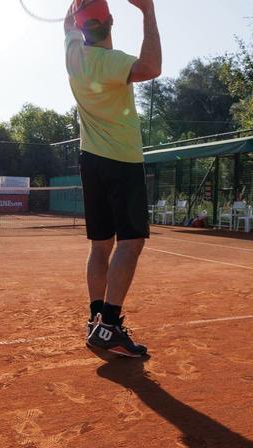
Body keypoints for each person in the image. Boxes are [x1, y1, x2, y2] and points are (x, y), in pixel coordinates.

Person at [64, 0, 161, 357]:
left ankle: (96, 320)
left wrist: (77, 6)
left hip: (91, 161)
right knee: (131, 242)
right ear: (110, 21)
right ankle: (109, 326)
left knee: (100, 245)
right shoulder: (112, 62)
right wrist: (148, 10)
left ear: (79, 25)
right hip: (122, 160)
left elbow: (67, 27)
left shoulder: (73, 55)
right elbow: (152, 66)